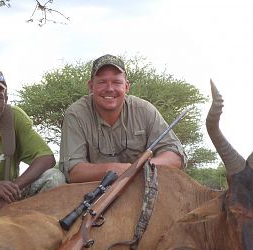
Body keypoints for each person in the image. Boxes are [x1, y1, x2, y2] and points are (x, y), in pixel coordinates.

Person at [0, 67, 65, 228]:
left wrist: (12, 190)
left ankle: (37, 230)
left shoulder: (15, 117)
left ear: (6, 99)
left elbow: (46, 157)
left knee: (54, 177)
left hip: (10, 194)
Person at [60, 54, 187, 183]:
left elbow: (176, 156)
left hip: (140, 185)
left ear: (126, 86)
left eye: (116, 82)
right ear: (91, 86)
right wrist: (112, 169)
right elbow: (73, 171)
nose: (109, 89)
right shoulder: (75, 114)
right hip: (92, 190)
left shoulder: (145, 110)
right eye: (102, 82)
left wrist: (139, 169)